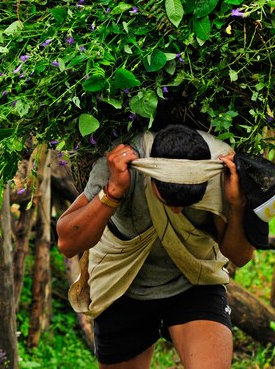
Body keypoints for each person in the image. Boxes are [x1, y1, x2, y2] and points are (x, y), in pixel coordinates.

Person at [56, 124, 255, 369]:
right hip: (122, 284)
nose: (177, 210)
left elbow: (241, 256)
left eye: (190, 201)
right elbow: (67, 242)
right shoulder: (119, 166)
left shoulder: (220, 170)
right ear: (151, 181)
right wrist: (114, 191)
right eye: (168, 200)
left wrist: (236, 205)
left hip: (193, 279)